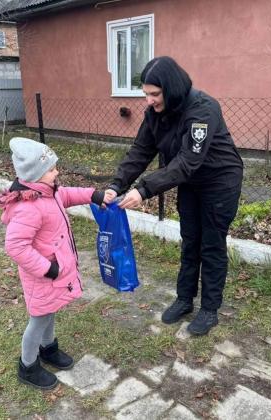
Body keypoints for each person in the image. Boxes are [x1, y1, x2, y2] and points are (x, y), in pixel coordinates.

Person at [105, 56, 243, 336]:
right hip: (190, 182)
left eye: (155, 94)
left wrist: (144, 190)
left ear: (173, 88)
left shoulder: (203, 110)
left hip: (220, 181)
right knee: (190, 239)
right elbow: (141, 151)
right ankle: (184, 299)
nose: (149, 101)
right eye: (146, 94)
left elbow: (187, 161)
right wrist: (117, 184)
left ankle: (209, 309)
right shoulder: (155, 113)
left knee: (211, 245)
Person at [0, 137, 106, 390]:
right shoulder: (29, 207)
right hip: (43, 275)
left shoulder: (48, 193)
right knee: (39, 320)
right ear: (36, 174)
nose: (57, 171)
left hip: (52, 276)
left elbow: (68, 194)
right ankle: (28, 366)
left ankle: (48, 349)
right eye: (52, 169)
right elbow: (15, 246)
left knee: (49, 312)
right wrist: (48, 268)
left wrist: (94, 195)